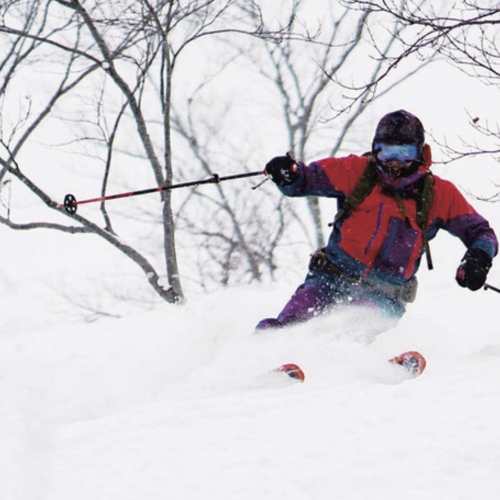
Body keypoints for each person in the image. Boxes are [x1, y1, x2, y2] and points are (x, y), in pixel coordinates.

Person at [256, 110, 498, 332]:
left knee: (353, 323)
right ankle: (269, 351)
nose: (396, 161)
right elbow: (306, 179)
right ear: (375, 149)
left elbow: (480, 231)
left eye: (406, 152)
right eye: (387, 152)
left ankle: (352, 360)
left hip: (384, 295)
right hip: (330, 280)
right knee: (294, 320)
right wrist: (289, 175)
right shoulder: (355, 171)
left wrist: (479, 257)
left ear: (420, 152)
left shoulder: (437, 194)